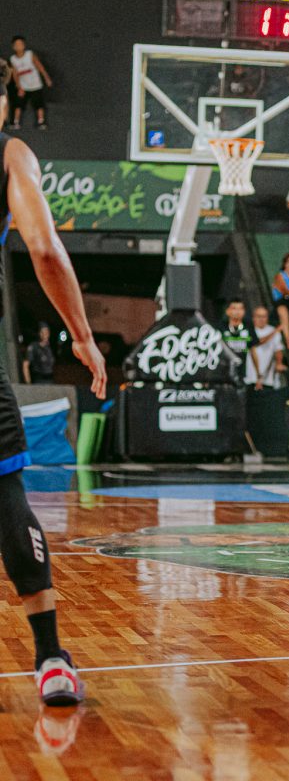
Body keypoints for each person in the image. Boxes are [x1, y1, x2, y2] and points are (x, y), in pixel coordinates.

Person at [0, 116, 106, 705]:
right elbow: (43, 247)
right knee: (6, 497)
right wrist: (82, 335)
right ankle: (49, 659)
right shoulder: (11, 153)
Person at [8, 37, 51, 130]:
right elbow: (15, 74)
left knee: (38, 104)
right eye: (16, 44)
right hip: (24, 86)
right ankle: (15, 122)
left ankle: (41, 122)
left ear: (24, 45)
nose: (19, 46)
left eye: (20, 44)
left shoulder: (30, 54)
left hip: (35, 85)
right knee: (18, 104)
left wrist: (46, 78)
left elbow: (39, 66)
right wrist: (19, 87)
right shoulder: (13, 59)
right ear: (13, 47)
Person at [246, 305, 286, 390]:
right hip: (249, 377)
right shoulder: (248, 330)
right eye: (259, 316)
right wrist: (275, 331)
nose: (261, 319)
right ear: (253, 317)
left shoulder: (273, 331)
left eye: (264, 316)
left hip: (268, 378)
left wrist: (279, 363)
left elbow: (278, 350)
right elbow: (257, 342)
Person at [220, 301, 253, 374]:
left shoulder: (249, 327)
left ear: (244, 311)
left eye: (240, 308)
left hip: (245, 371)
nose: (237, 311)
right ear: (227, 311)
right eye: (234, 308)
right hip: (224, 369)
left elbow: (254, 349)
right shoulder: (221, 328)